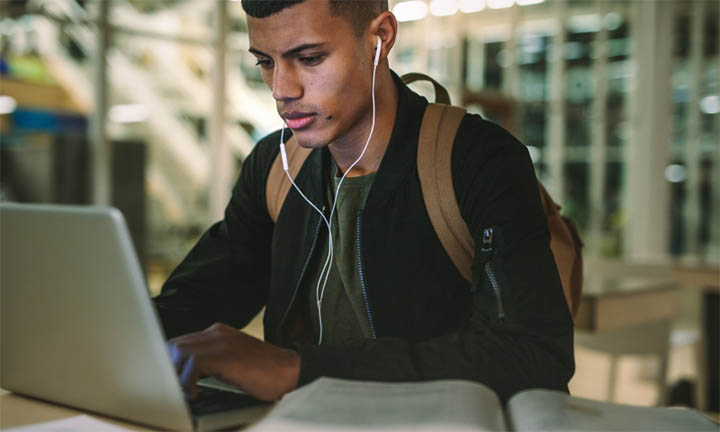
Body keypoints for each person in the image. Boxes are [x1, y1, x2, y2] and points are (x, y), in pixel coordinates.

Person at [154, 0, 574, 404]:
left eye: (310, 58)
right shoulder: (274, 165)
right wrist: (122, 333)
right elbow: (202, 297)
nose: (282, 89)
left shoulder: (477, 160)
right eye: (266, 61)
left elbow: (533, 355)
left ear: (381, 37)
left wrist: (300, 369)